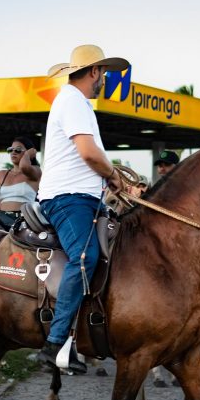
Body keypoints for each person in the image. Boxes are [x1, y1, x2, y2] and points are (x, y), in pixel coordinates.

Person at [37, 44, 128, 370]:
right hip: (67, 198)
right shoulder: (73, 101)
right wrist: (114, 174)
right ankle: (55, 344)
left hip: (84, 198)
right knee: (85, 257)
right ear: (94, 72)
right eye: (102, 72)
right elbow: (89, 153)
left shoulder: (77, 103)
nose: (103, 78)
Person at [0, 137, 41, 229]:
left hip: (25, 221)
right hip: (1, 220)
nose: (13, 152)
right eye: (11, 150)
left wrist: (28, 155)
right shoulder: (1, 174)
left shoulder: (35, 171)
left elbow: (24, 167)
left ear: (29, 152)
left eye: (18, 150)